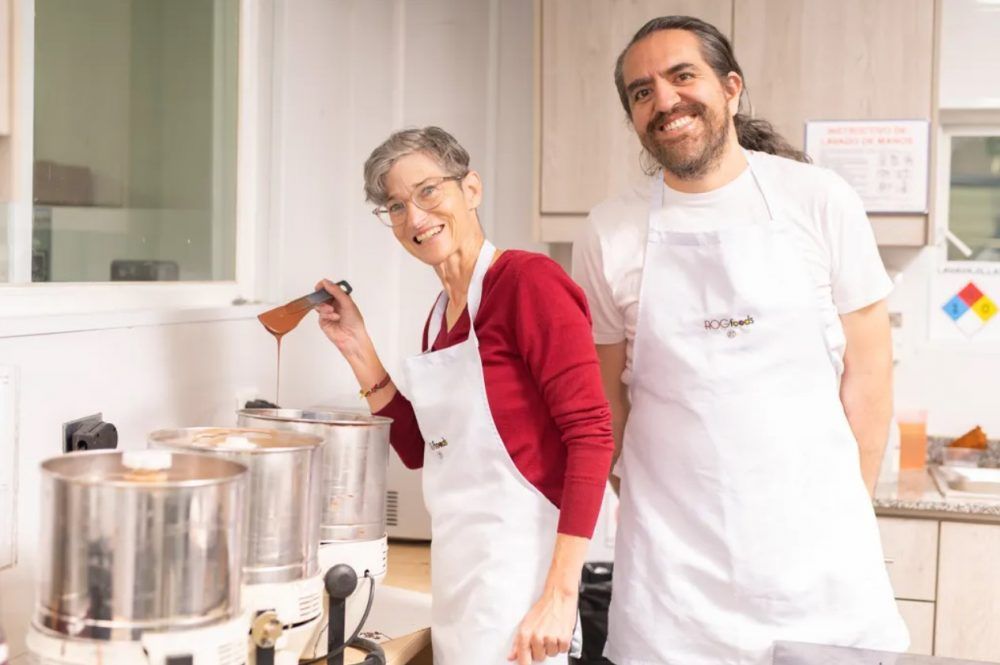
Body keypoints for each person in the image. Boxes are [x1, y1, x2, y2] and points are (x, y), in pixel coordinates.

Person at [571, 15, 909, 665]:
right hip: (674, 593)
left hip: (822, 578)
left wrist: (840, 508)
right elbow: (607, 399)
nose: (664, 100)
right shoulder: (609, 232)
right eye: (642, 92)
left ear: (731, 87)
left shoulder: (819, 200)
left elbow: (869, 374)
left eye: (682, 76)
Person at [314, 126, 614, 664]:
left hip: (530, 578)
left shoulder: (527, 283)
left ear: (470, 190)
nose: (415, 217)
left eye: (428, 191)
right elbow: (418, 448)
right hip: (461, 576)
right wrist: (357, 344)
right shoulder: (438, 318)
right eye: (396, 206)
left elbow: (592, 435)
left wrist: (559, 596)